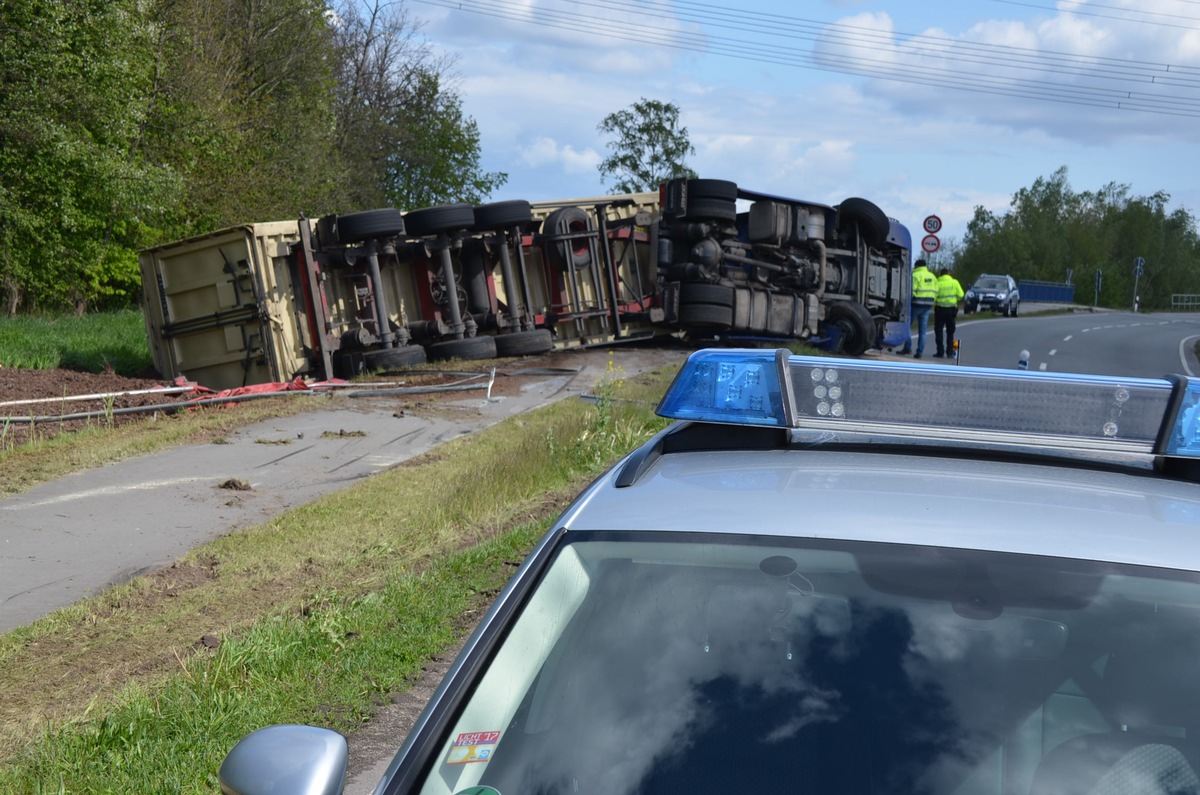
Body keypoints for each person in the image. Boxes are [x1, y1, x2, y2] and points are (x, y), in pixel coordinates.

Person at [900, 259, 938, 358]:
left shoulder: (915, 275)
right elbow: (936, 290)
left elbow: (911, 290)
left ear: (917, 266)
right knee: (923, 330)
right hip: (928, 305)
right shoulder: (932, 276)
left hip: (916, 304)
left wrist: (906, 301)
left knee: (907, 325)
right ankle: (919, 353)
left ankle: (907, 348)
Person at [933, 267, 965, 358]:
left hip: (940, 309)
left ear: (940, 274)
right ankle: (950, 352)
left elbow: (934, 296)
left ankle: (940, 352)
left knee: (938, 331)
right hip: (951, 310)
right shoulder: (954, 282)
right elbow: (961, 295)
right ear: (948, 274)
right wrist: (954, 299)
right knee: (950, 331)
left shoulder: (937, 283)